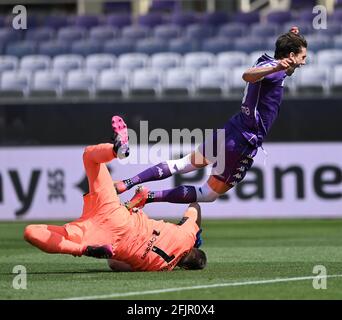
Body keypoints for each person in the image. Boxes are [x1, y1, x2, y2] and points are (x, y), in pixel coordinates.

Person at [115, 26, 308, 209]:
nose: (304, 62)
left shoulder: (266, 60)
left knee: (183, 163)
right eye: (303, 57)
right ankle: (148, 196)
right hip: (243, 141)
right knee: (208, 193)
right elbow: (248, 76)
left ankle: (128, 182)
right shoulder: (274, 70)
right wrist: (276, 68)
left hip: (234, 128)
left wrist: (291, 37)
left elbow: (273, 67)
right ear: (290, 56)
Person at [24, 116, 206, 272]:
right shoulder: (158, 267)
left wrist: (195, 234)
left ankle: (116, 150)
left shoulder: (186, 235)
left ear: (193, 248)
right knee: (31, 232)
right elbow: (114, 262)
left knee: (89, 156)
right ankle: (82, 249)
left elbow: (194, 206)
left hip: (114, 212)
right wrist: (89, 248)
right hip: (100, 236)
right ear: (186, 267)